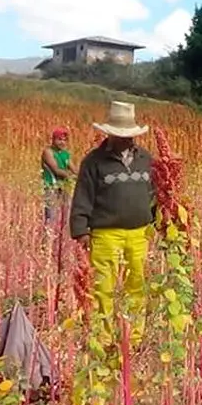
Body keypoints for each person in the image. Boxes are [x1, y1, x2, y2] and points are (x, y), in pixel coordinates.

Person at [69, 101, 156, 355]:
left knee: (137, 285)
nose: (126, 140)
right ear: (110, 134)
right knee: (103, 286)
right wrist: (81, 230)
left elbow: (155, 194)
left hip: (140, 232)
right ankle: (104, 339)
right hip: (106, 232)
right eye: (120, 136)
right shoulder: (94, 162)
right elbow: (83, 195)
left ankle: (133, 338)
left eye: (129, 136)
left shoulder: (145, 159)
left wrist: (161, 220)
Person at [41, 127, 78, 226]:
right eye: (59, 139)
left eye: (65, 140)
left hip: (64, 186)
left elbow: (74, 169)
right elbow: (56, 170)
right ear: (53, 140)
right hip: (51, 186)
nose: (62, 142)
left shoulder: (66, 154)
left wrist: (82, 176)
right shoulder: (48, 152)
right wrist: (72, 177)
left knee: (66, 216)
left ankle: (62, 239)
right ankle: (47, 240)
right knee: (51, 216)